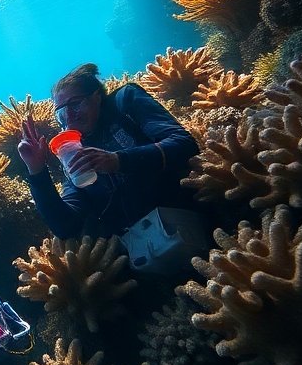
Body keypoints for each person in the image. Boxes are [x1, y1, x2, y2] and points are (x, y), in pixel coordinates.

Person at [17, 63, 199, 239]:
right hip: (139, 253)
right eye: (61, 113)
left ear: (97, 96)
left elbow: (185, 144)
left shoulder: (124, 102)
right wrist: (37, 171)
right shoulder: (73, 151)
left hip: (188, 220)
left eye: (75, 104)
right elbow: (66, 227)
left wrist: (119, 161)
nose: (70, 116)